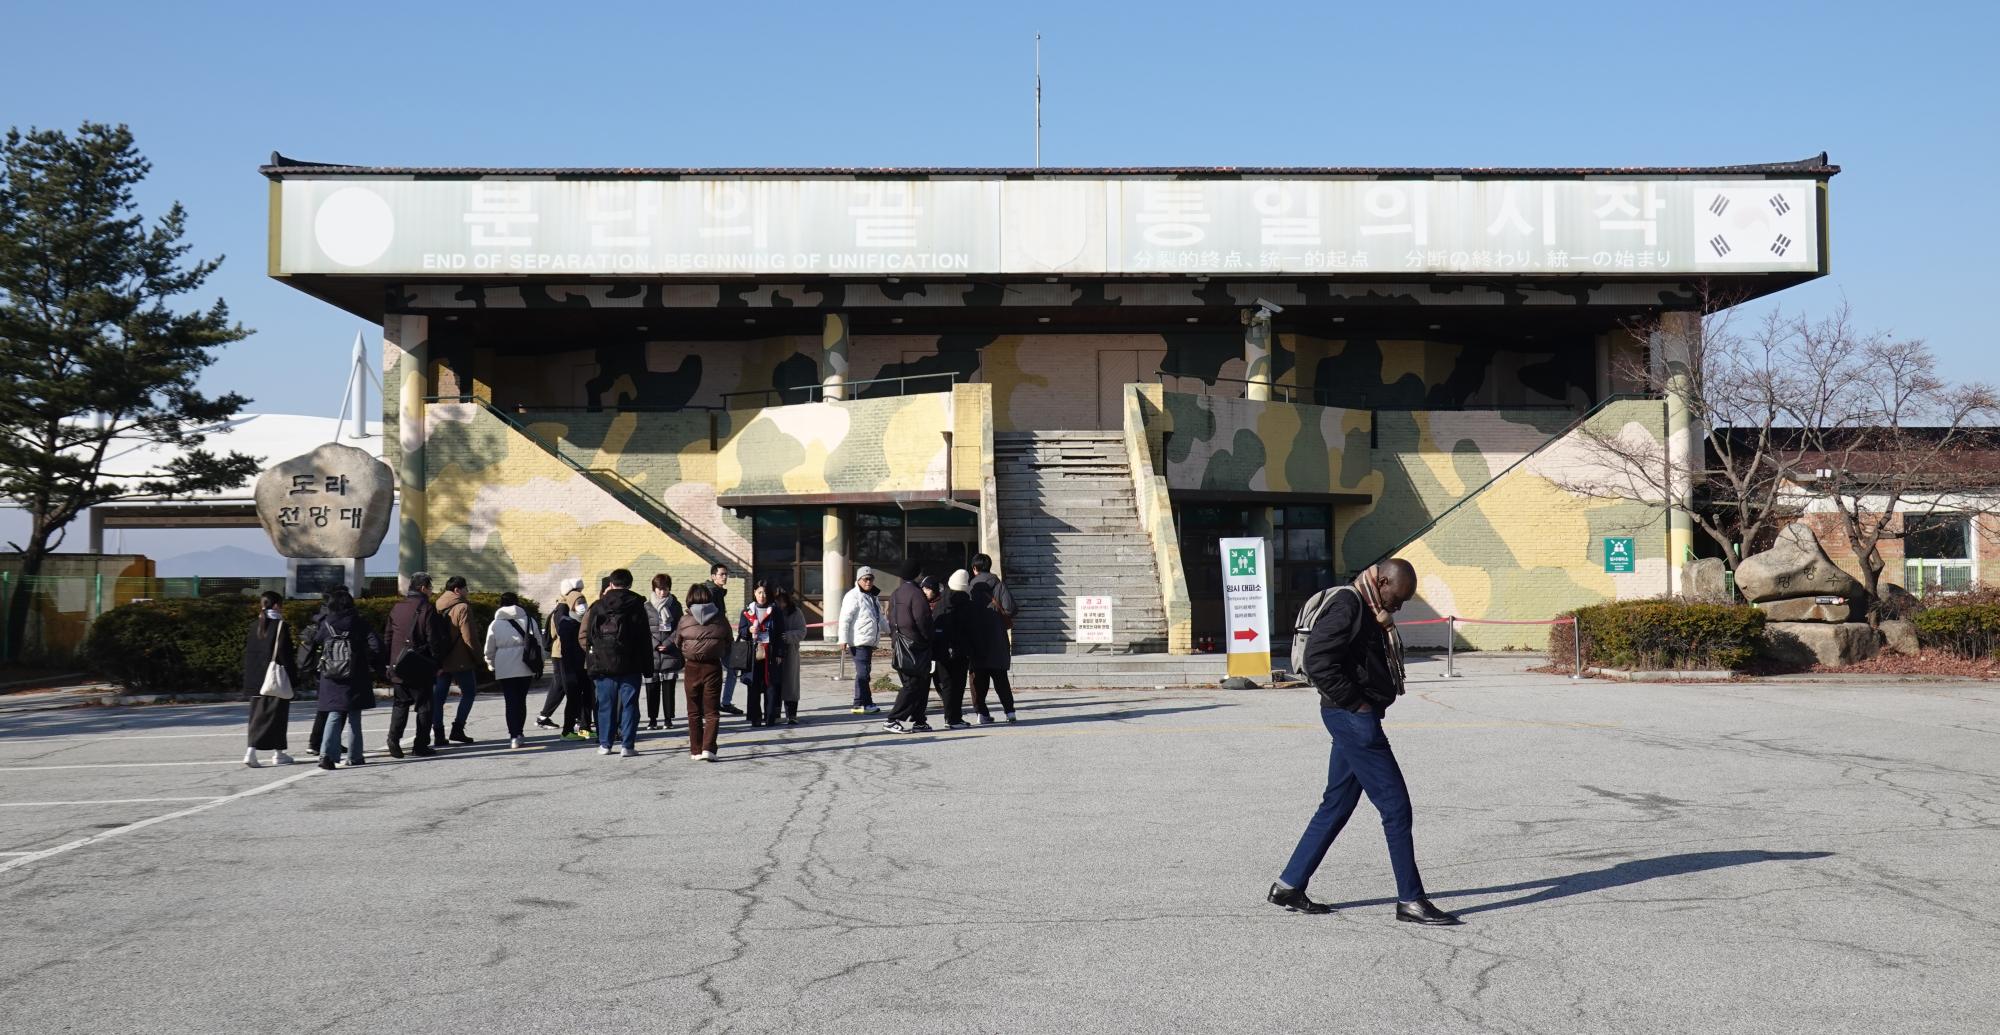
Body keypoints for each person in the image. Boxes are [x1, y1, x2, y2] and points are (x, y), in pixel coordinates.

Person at [1268, 559, 1461, 926]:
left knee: (1337, 805)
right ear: (1382, 581)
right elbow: (1318, 661)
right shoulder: (1349, 604)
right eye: (1397, 598)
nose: (1398, 607)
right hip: (1353, 720)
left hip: (1352, 718)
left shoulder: (1368, 606)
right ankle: (1411, 900)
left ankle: (1289, 885)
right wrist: (1357, 704)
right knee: (1396, 807)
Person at [299, 586, 384, 770]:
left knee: (334, 713)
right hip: (356, 674)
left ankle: (326, 755)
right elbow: (376, 645)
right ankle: (355, 756)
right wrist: (367, 660)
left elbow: (313, 643)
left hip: (330, 675)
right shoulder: (359, 622)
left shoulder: (325, 623)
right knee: (354, 716)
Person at [580, 568, 652, 758]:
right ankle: (627, 745)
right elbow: (645, 638)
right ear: (630, 584)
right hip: (631, 663)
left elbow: (590, 638)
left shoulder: (598, 605)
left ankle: (605, 744)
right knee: (630, 705)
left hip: (603, 663)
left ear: (611, 584)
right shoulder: (637, 605)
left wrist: (591, 664)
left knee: (605, 705)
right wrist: (648, 668)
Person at [385, 572, 443, 758]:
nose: (432, 592)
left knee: (400, 704)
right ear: (423, 588)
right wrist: (437, 662)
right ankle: (420, 745)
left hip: (399, 665)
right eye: (431, 588)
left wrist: (391, 662)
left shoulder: (397, 607)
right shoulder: (427, 608)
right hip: (420, 665)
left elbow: (388, 637)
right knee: (425, 706)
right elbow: (433, 639)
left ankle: (393, 739)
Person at [240, 591, 299, 767]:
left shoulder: (254, 625)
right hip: (274, 678)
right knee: (277, 716)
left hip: (255, 678)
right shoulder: (280, 626)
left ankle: (273, 752)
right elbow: (285, 654)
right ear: (276, 605)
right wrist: (294, 678)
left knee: (256, 716)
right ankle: (260, 753)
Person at [674, 583, 730, 761]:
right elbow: (729, 640)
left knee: (693, 711)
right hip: (713, 666)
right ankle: (709, 749)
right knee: (712, 711)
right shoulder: (720, 618)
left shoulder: (685, 620)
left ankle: (696, 750)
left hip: (692, 667)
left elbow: (677, 642)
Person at [882, 563, 936, 734]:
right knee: (913, 684)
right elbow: (923, 620)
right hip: (915, 645)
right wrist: (928, 638)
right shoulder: (916, 593)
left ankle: (919, 720)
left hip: (899, 643)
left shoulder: (896, 593)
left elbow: (890, 618)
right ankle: (893, 719)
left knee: (916, 684)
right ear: (917, 574)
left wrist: (894, 638)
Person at [536, 577, 592, 740]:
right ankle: (568, 727)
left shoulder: (569, 612)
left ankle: (581, 727)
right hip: (566, 657)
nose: (582, 605)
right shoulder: (564, 614)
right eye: (579, 599)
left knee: (576, 692)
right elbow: (564, 636)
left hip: (573, 657)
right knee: (571, 691)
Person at [483, 592, 540, 750]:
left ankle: (513, 735)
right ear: (517, 603)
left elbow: (489, 648)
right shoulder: (529, 619)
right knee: (521, 700)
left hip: (504, 666)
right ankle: (520, 732)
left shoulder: (495, 624)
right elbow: (538, 643)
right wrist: (539, 662)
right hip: (525, 665)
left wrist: (491, 663)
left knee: (510, 701)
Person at [431, 575, 481, 745]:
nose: (468, 591)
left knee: (438, 698)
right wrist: (477, 657)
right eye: (466, 588)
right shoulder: (462, 607)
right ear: (457, 590)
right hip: (460, 659)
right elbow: (469, 637)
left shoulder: (436, 605)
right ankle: (458, 729)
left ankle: (438, 733)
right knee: (469, 693)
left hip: (441, 659)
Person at [966, 579, 1017, 725]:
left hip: (976, 643)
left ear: (974, 569)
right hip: (997, 641)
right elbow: (1010, 609)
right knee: (1001, 679)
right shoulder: (999, 586)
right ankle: (1010, 712)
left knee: (978, 681)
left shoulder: (970, 589)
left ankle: (981, 713)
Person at [835, 565, 884, 715]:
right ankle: (863, 703)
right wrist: (842, 639)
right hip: (858, 641)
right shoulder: (852, 596)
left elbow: (880, 618)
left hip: (869, 641)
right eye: (865, 579)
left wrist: (892, 631)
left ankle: (862, 703)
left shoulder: (873, 596)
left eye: (871, 579)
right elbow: (845, 619)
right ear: (859, 580)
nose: (869, 582)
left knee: (864, 673)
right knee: (863, 673)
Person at [737, 581, 785, 728]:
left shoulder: (775, 611)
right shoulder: (748, 611)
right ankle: (755, 718)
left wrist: (779, 653)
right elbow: (741, 631)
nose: (762, 596)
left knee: (771, 686)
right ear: (754, 593)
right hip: (753, 654)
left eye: (764, 593)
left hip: (770, 653)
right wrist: (749, 630)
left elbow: (780, 633)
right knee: (754, 687)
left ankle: (770, 718)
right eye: (759, 592)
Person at [931, 570, 973, 729]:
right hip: (959, 650)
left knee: (946, 685)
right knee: (958, 685)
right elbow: (968, 628)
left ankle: (949, 717)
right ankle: (954, 718)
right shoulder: (964, 602)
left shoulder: (941, 601)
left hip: (940, 649)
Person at [644, 573, 683, 731]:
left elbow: (679, 628)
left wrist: (667, 643)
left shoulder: (675, 605)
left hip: (670, 652)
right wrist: (655, 644)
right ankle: (652, 719)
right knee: (651, 687)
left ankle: (668, 719)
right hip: (652, 653)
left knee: (668, 688)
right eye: (659, 589)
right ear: (654, 589)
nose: (662, 592)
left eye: (665, 589)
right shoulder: (647, 606)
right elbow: (643, 629)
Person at [709, 563, 743, 716]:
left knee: (732, 668)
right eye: (721, 574)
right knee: (716, 672)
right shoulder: (712, 593)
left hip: (723, 638)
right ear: (713, 576)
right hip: (716, 640)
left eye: (726, 574)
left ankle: (724, 703)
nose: (724, 577)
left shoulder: (718, 592)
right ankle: (716, 704)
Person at [776, 587, 808, 725]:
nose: (780, 604)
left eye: (782, 601)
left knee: (791, 684)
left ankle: (791, 714)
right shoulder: (771, 611)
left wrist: (787, 636)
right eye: (777, 601)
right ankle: (775, 714)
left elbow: (802, 631)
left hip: (790, 652)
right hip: (773, 652)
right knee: (774, 684)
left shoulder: (796, 612)